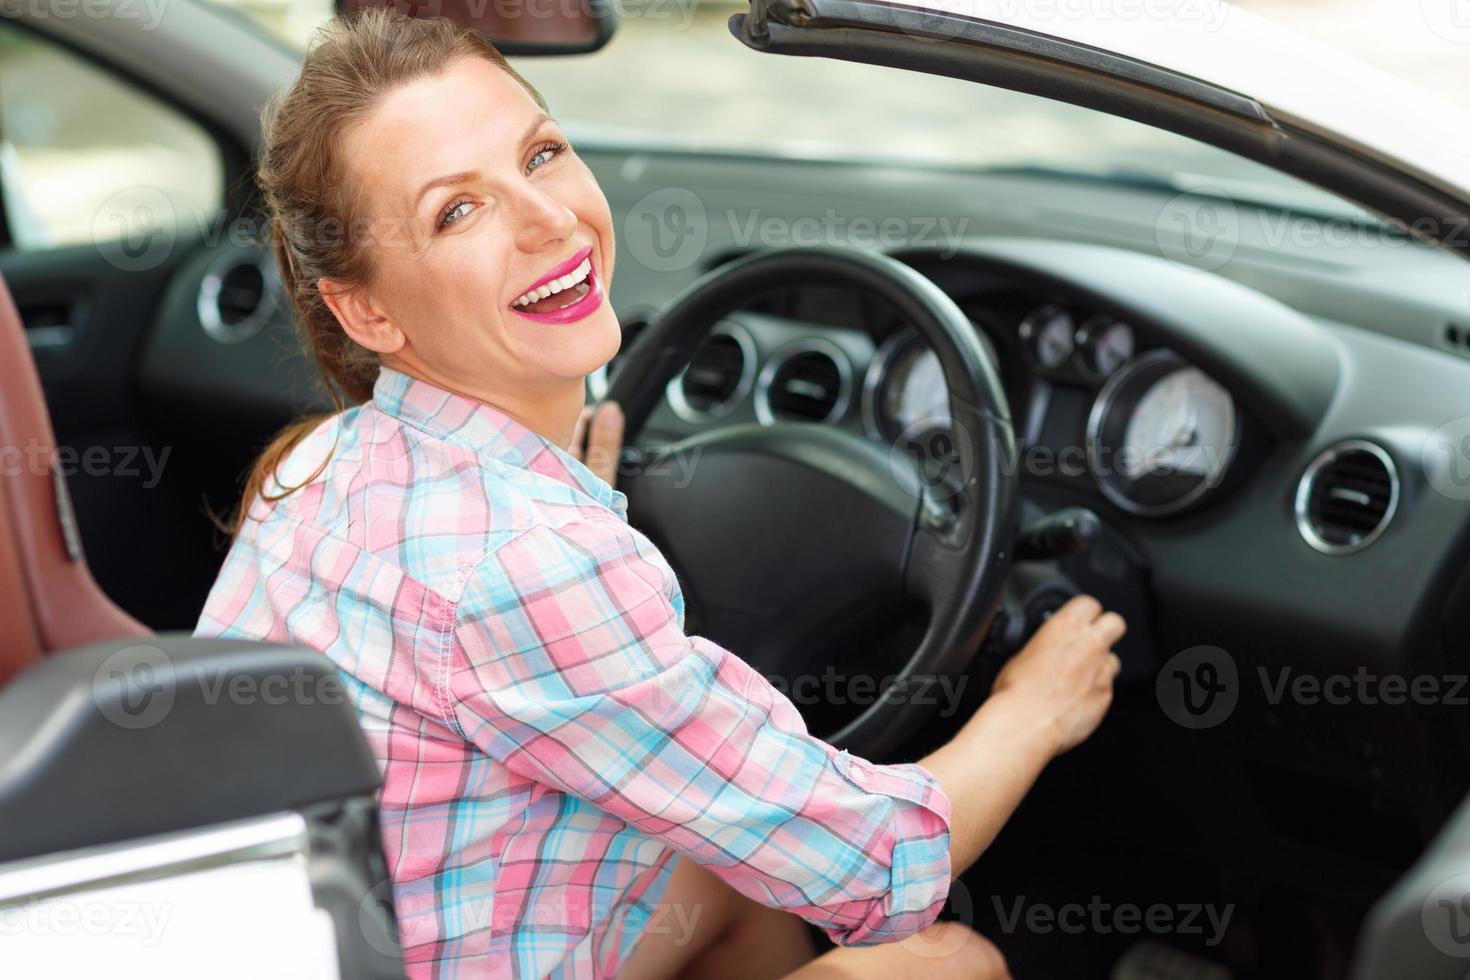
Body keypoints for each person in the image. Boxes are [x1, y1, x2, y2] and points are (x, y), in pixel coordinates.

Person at [196, 8, 1125, 978]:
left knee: (717, 873)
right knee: (955, 959)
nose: (549, 218)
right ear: (365, 306)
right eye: (456, 211)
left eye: (542, 153)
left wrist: (578, 499)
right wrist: (1034, 701)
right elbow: (879, 860)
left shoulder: (318, 465)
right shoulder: (531, 563)